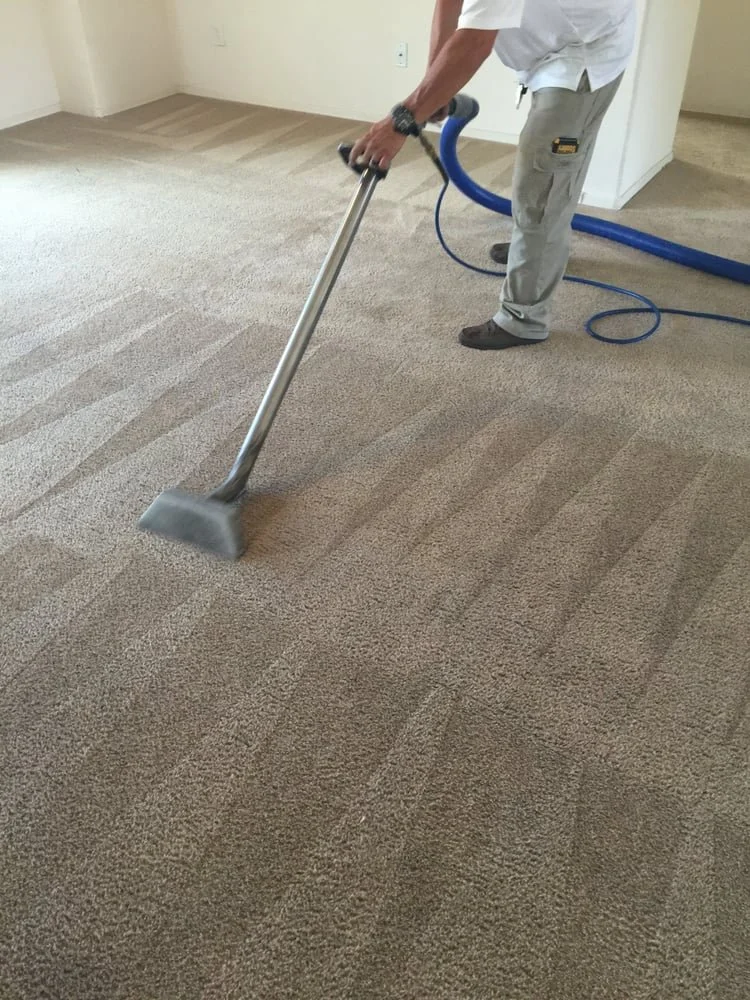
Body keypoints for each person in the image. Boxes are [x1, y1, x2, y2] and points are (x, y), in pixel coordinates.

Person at [349, 0, 637, 350]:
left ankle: (524, 319)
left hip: (585, 51)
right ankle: (536, 252)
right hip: (556, 44)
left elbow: (474, 42)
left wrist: (403, 119)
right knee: (549, 176)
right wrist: (433, 88)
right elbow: (449, 3)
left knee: (542, 184)